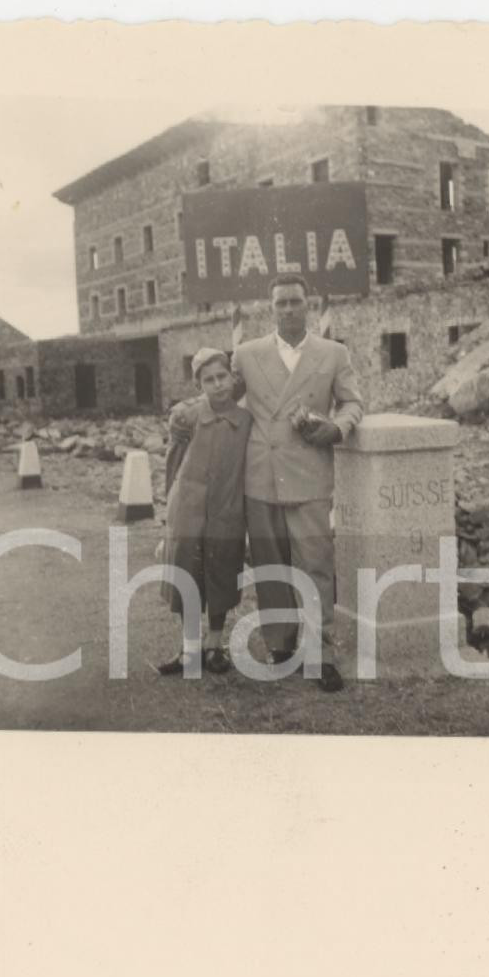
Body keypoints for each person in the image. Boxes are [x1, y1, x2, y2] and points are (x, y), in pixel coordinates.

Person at [232, 273, 364, 692]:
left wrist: (337, 429)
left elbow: (353, 402)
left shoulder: (333, 352)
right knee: (270, 566)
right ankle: (280, 645)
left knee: (315, 564)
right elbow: (225, 402)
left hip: (309, 472)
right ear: (269, 308)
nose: (288, 309)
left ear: (307, 305)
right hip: (261, 474)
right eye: (280, 303)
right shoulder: (247, 354)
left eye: (295, 302)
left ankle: (320, 651)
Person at [157, 348, 251, 676]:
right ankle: (189, 649)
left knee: (222, 573)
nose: (218, 385)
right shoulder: (187, 417)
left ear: (232, 377)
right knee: (187, 573)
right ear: (199, 384)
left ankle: (215, 646)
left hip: (227, 510)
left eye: (222, 377)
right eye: (208, 380)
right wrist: (168, 513)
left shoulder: (245, 421)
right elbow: (173, 465)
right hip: (188, 510)